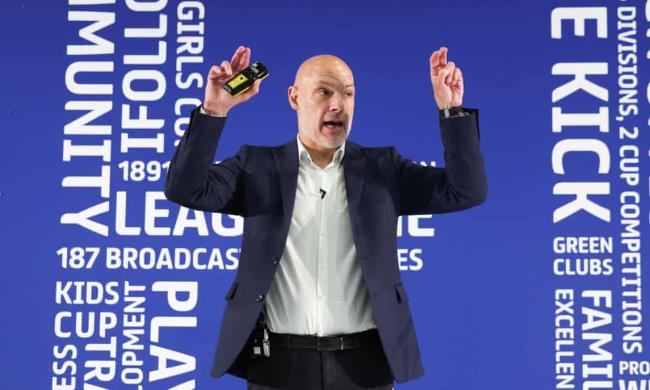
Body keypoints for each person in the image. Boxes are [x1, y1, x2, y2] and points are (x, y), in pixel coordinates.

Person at [164, 45, 487, 390]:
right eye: (324, 91)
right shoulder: (255, 166)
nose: (338, 104)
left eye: (348, 94)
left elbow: (466, 191)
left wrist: (451, 111)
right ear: (294, 98)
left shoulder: (384, 169)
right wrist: (214, 110)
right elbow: (186, 189)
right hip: (278, 365)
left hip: (365, 365)